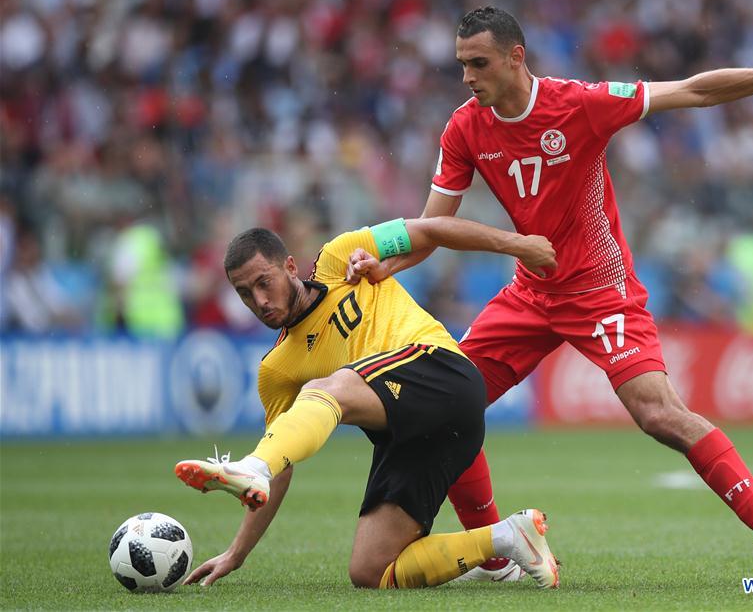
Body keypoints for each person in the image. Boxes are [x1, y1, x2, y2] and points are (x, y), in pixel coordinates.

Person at [346, 6, 753, 581]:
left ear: (515, 57)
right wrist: (386, 265)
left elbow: (696, 92)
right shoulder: (464, 127)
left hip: (602, 292)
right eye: (462, 65)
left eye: (479, 63)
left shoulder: (579, 103)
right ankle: (501, 555)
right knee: (453, 405)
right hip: (530, 293)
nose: (469, 77)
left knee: (661, 416)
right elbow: (432, 228)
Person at [174, 216, 560, 589]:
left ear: (290, 266)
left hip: (443, 371)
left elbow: (431, 229)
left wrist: (519, 245)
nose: (259, 301)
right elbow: (284, 465)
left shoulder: (340, 256)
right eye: (244, 293)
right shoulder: (276, 370)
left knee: (326, 390)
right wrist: (236, 553)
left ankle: (252, 465)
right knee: (370, 570)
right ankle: (508, 539)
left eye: (264, 282)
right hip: (416, 435)